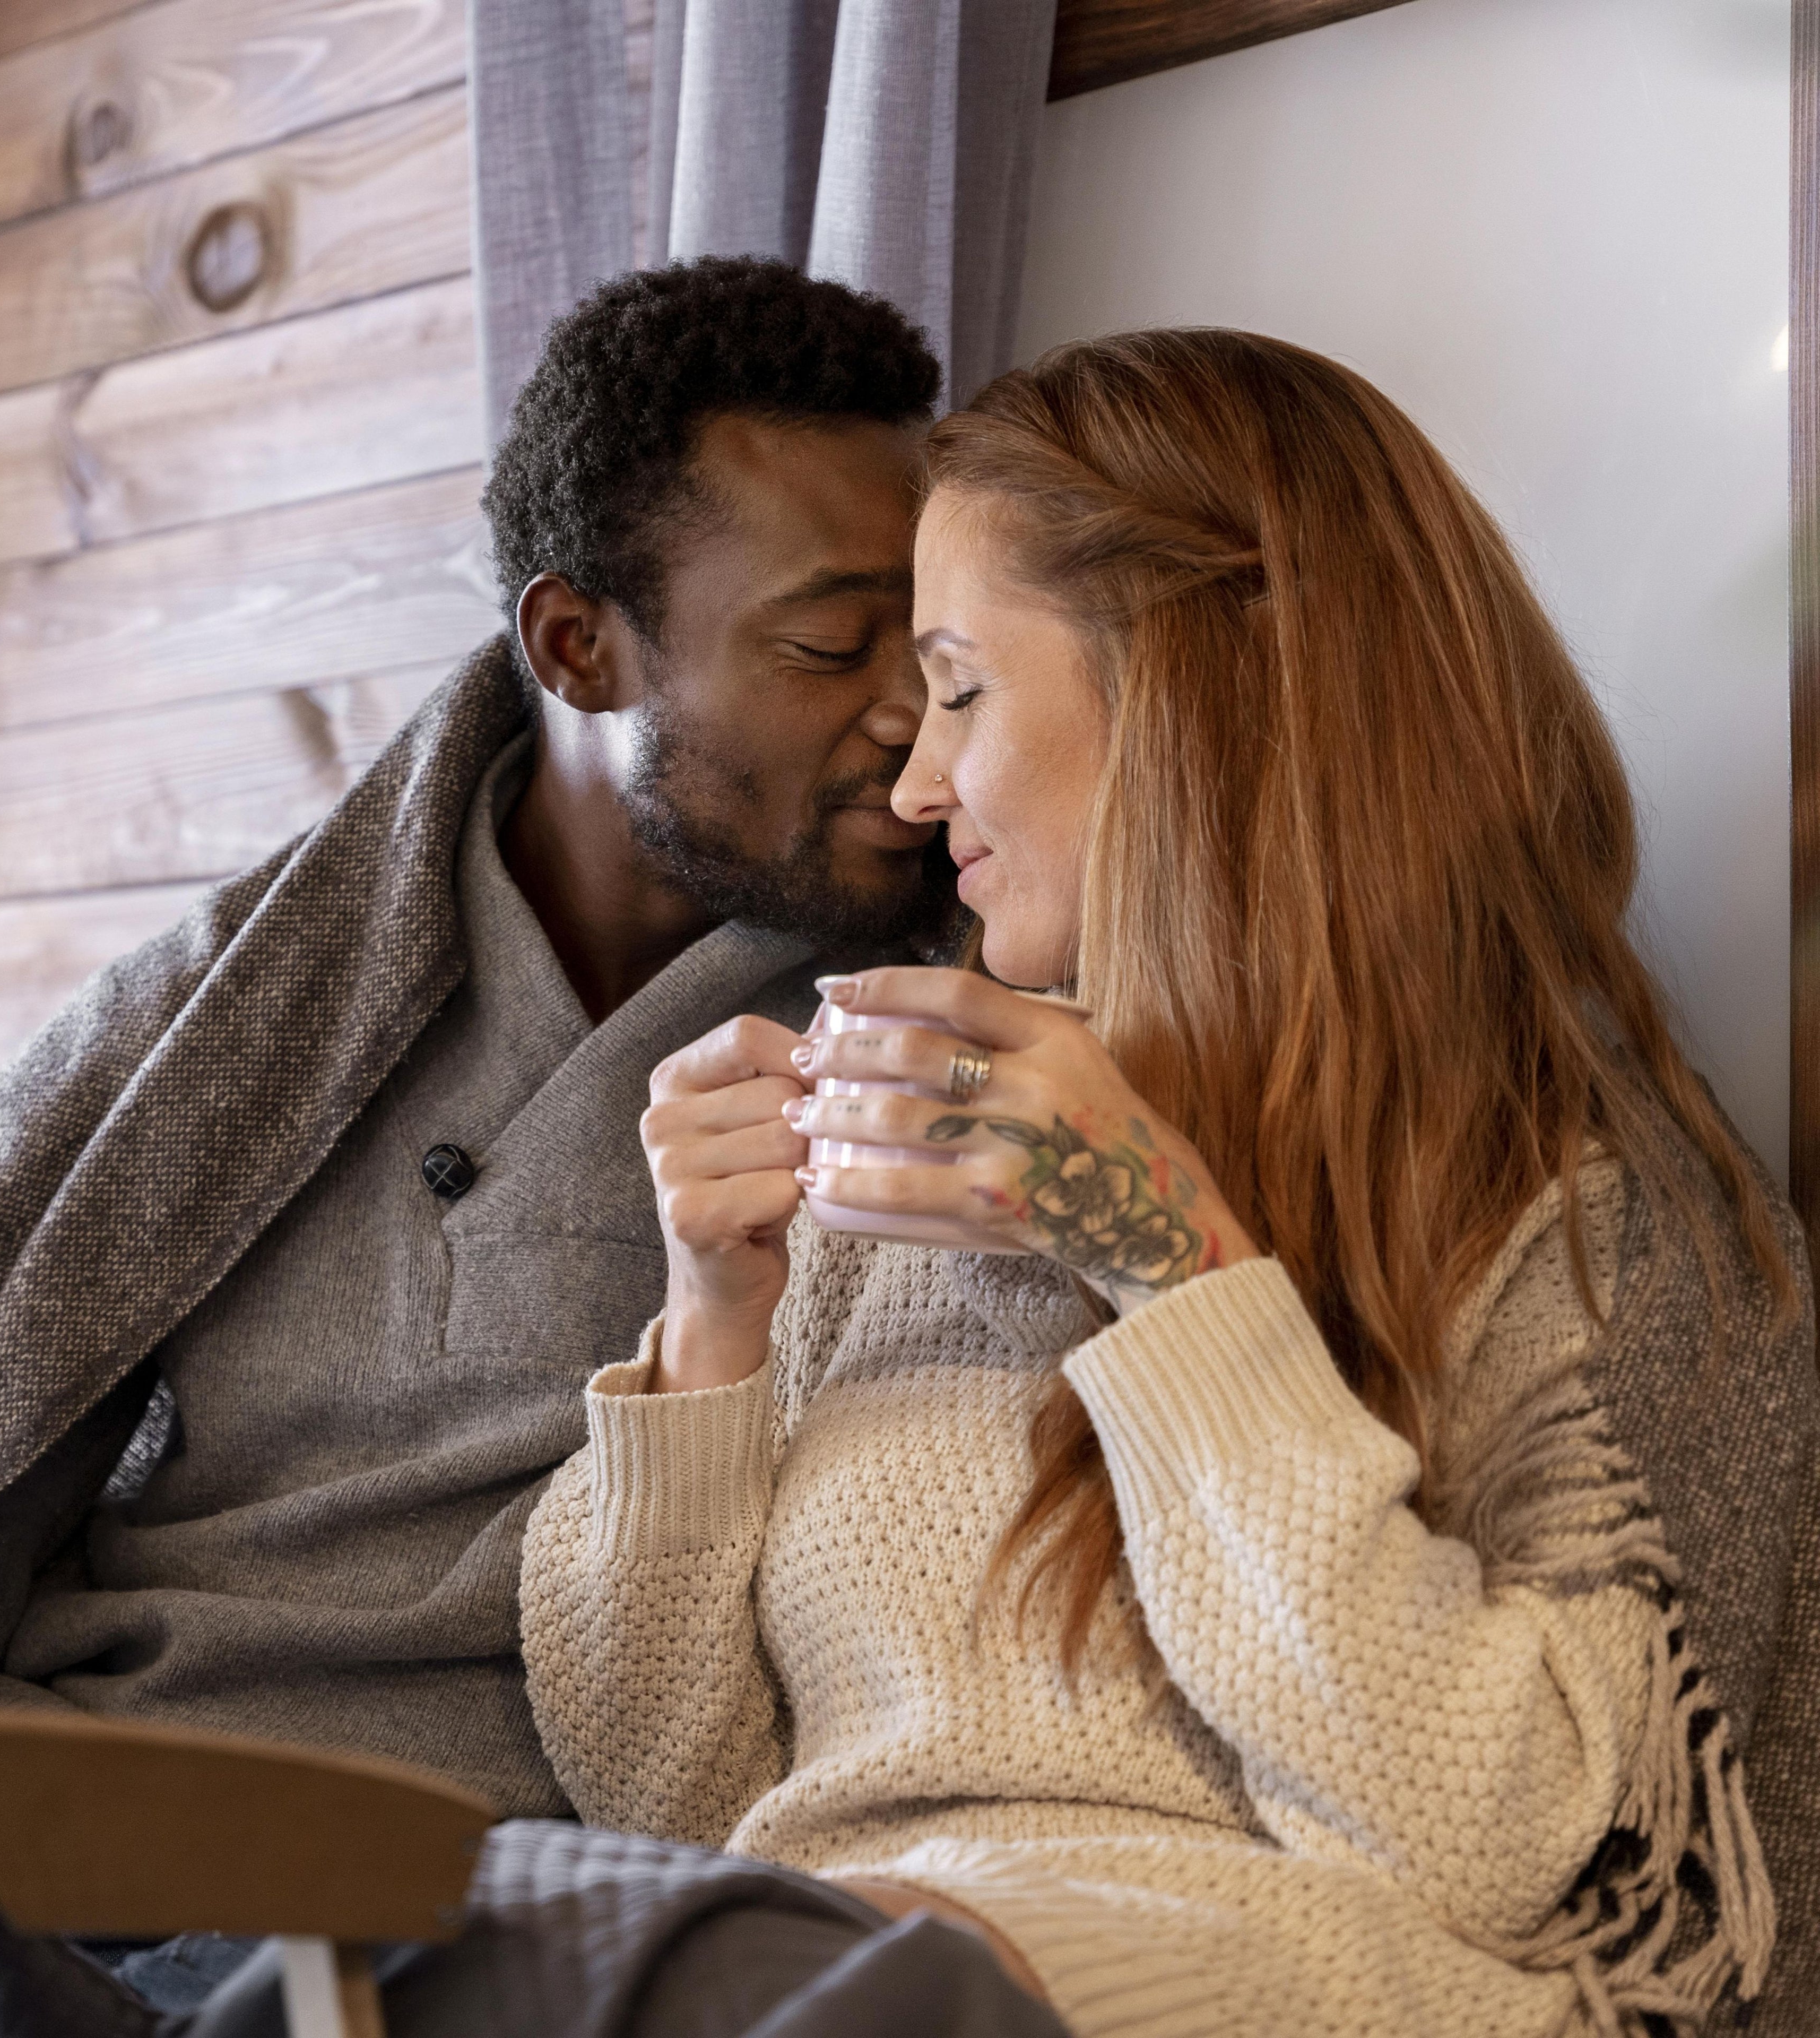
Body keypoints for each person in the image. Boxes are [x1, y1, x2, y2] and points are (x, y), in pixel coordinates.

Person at [515, 330, 1812, 2036]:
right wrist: (712, 1332)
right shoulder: (905, 1167)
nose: (915, 785)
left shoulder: (1595, 1213)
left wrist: (1176, 1269)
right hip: (796, 1978)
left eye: (962, 684)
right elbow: (666, 1808)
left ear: (1204, 682)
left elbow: (1557, 1874)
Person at [0, 256, 962, 2035]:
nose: (908, 717)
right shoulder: (259, 993)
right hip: (30, 1828)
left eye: (932, 651)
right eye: (826, 645)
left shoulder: (942, 1011)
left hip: (442, 1887)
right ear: (576, 646)